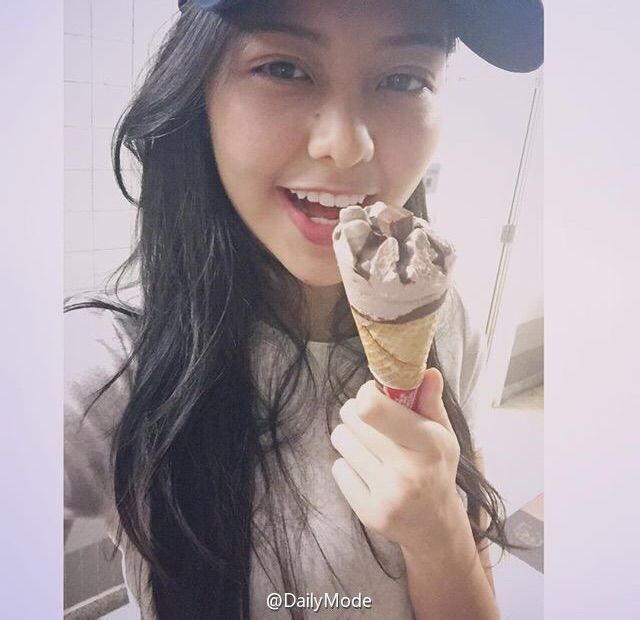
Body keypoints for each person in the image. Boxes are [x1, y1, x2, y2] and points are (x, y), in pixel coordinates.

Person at [64, 0, 543, 618]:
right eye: (284, 69)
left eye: (403, 79)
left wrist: (439, 533)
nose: (346, 146)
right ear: (197, 91)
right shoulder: (106, 366)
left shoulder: (445, 323)